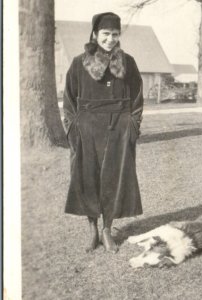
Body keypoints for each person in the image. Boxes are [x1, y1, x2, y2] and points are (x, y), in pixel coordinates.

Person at [63, 12, 143, 254]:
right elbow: (68, 100)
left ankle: (107, 229)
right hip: (86, 129)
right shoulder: (79, 63)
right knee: (88, 178)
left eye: (115, 34)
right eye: (106, 34)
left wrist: (132, 126)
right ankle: (93, 230)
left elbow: (137, 98)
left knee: (114, 179)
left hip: (118, 128)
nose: (110, 39)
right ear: (96, 35)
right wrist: (73, 129)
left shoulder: (127, 62)